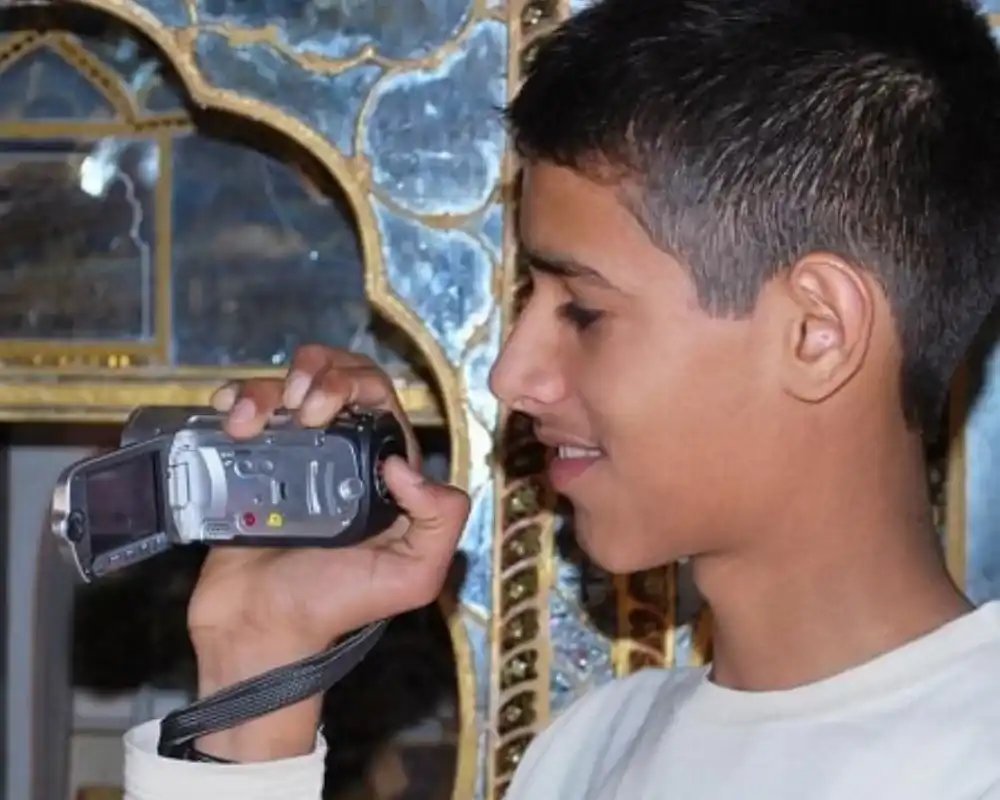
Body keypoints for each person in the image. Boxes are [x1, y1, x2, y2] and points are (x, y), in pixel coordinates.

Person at [120, 0, 1000, 797]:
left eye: (583, 310)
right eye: (527, 302)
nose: (512, 376)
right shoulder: (587, 752)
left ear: (817, 331)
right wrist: (261, 658)